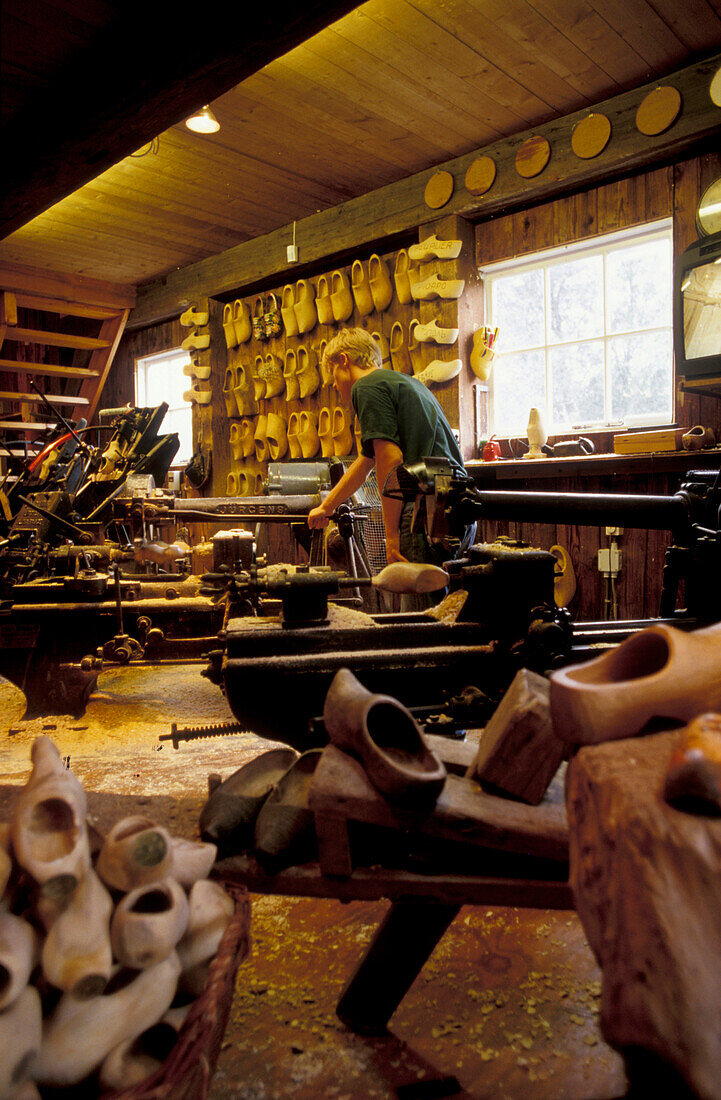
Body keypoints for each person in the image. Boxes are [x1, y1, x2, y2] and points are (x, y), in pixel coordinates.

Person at [307, 327, 474, 571]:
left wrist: (392, 536)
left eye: (332, 374)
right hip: (457, 507)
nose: (333, 384)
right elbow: (367, 462)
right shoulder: (401, 383)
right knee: (446, 607)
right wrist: (326, 506)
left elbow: (389, 459)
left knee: (419, 609)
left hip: (424, 512)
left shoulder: (365, 387)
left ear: (344, 360)